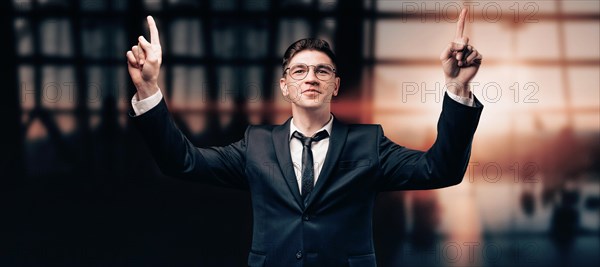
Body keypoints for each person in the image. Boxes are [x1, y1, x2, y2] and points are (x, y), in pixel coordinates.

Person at [125, 8, 483, 267]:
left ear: (336, 85)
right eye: (299, 71)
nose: (310, 77)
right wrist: (149, 89)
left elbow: (441, 170)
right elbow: (182, 162)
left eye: (322, 70)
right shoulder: (257, 144)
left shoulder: (369, 143)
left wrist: (457, 88)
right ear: (285, 86)